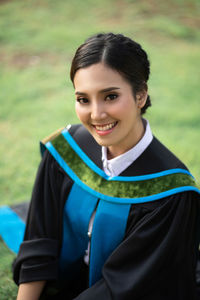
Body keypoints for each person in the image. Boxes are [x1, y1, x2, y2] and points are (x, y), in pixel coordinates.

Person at [13, 33, 200, 300]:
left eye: (110, 96)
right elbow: (39, 243)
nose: (97, 114)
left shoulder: (170, 192)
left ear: (140, 95)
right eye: (83, 99)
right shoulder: (65, 154)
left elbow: (126, 287)